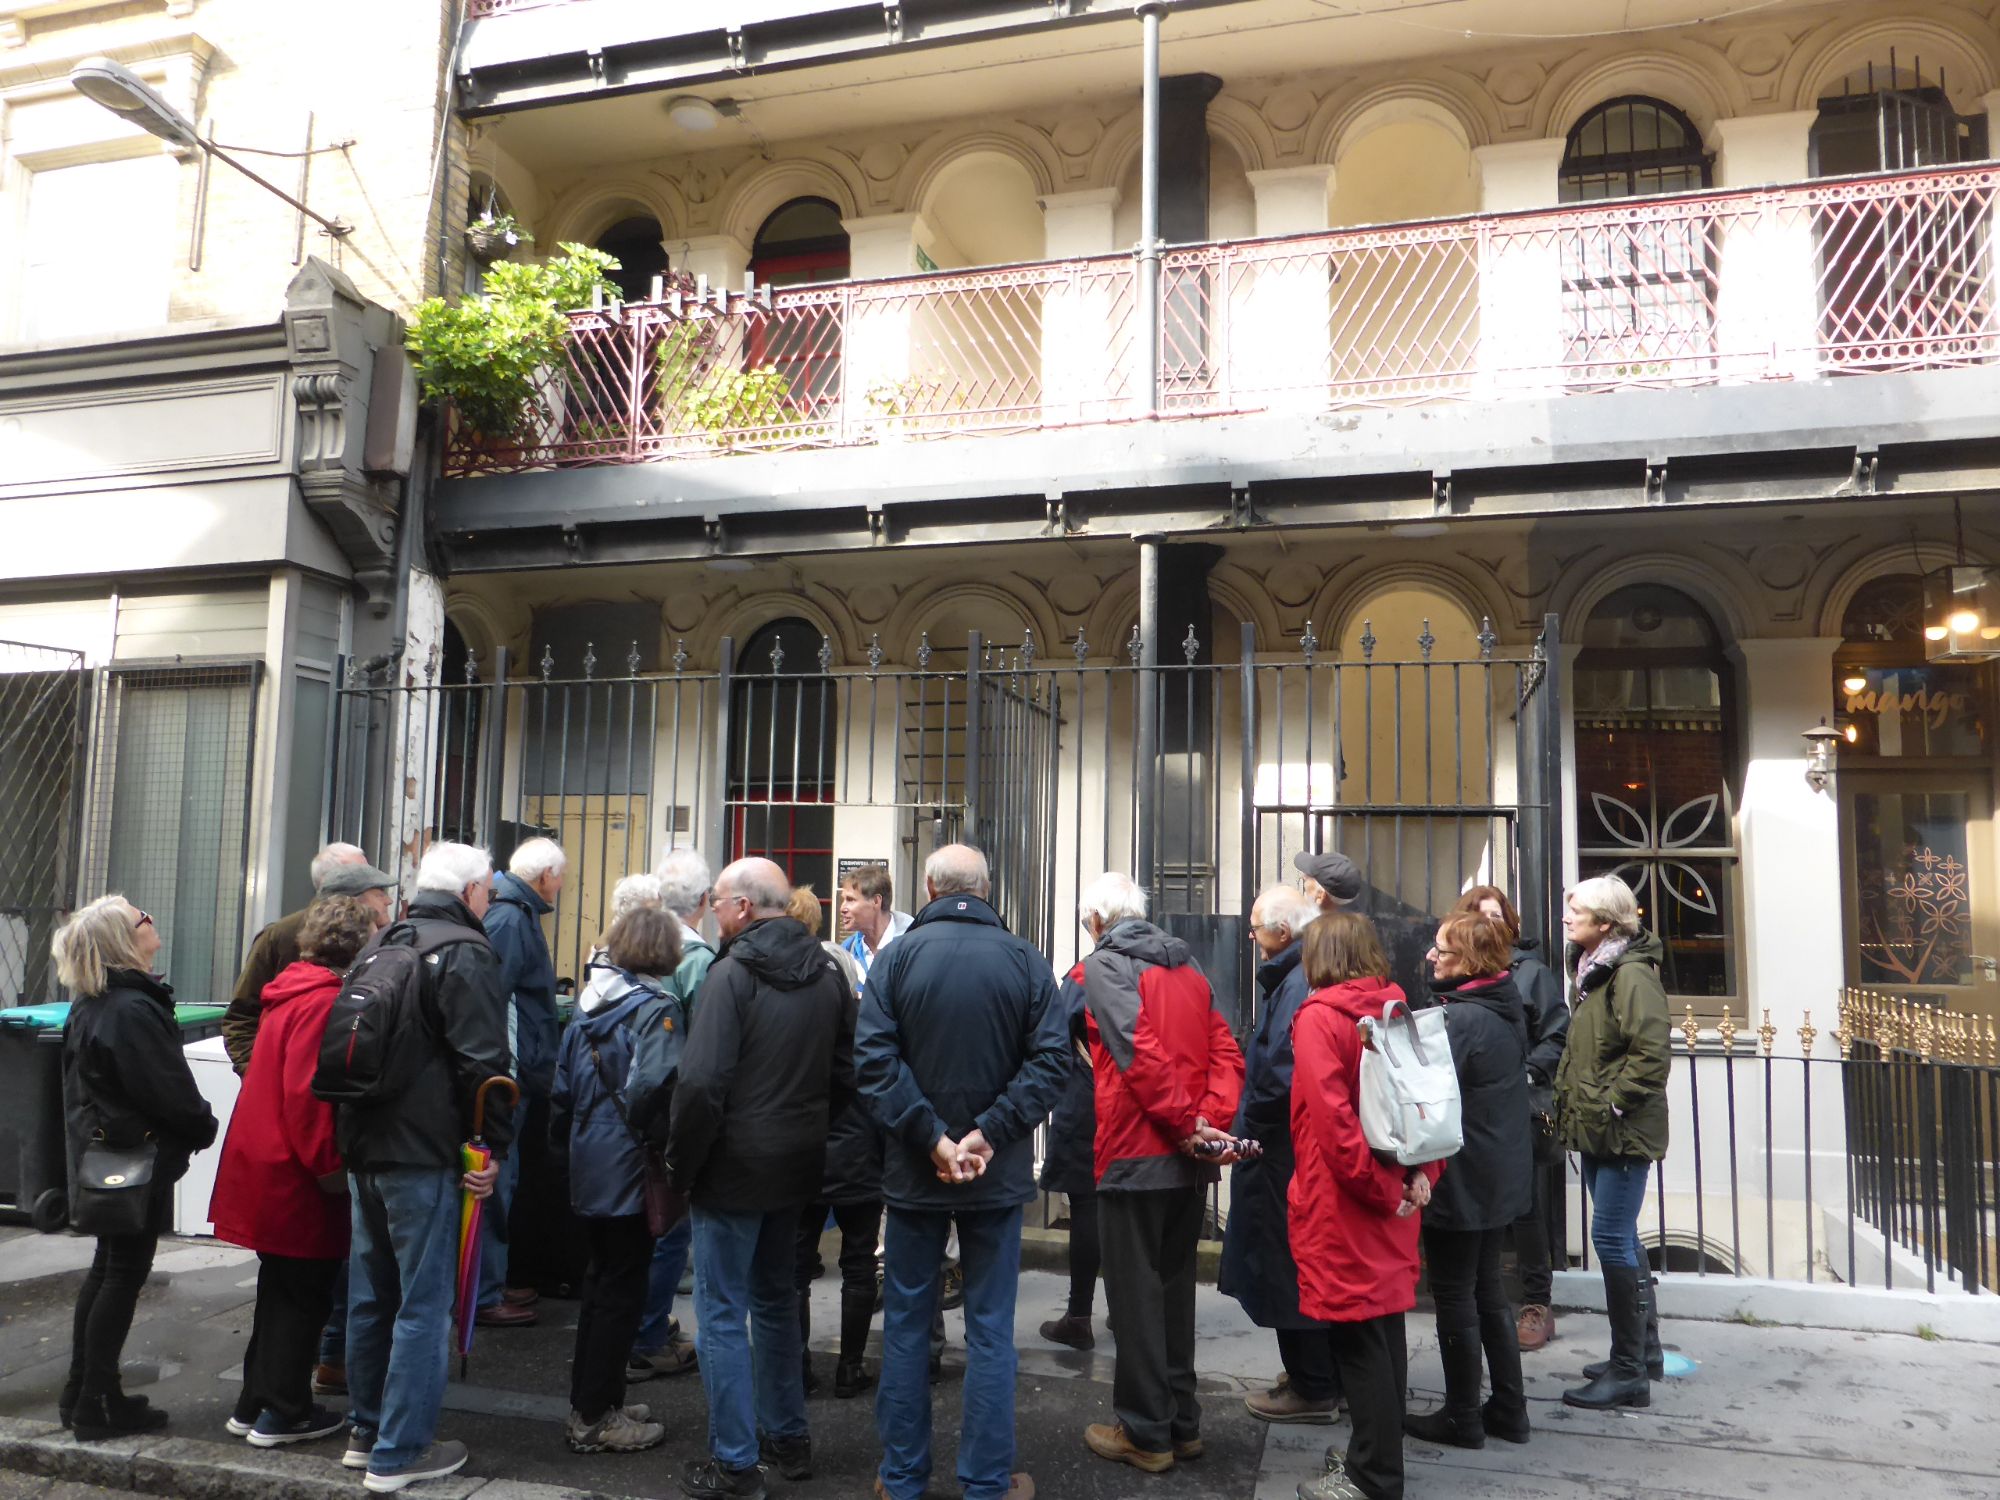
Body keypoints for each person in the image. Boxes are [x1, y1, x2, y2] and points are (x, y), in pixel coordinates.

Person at [855, 843, 1067, 1500]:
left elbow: (872, 1063)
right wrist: (988, 1133)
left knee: (909, 1325)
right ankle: (985, 1482)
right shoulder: (1026, 961)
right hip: (995, 1175)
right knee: (991, 1328)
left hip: (917, 1176)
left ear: (927, 886)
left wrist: (932, 1139)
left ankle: (903, 1478)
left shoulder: (895, 960)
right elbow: (1052, 1065)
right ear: (985, 887)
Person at [666, 857, 854, 1500]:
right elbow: (846, 1072)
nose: (711, 910)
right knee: (776, 1301)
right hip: (798, 1163)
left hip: (734, 1167)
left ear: (744, 907)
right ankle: (787, 1439)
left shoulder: (732, 975)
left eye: (716, 901)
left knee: (721, 1313)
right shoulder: (829, 972)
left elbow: (700, 1083)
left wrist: (680, 1165)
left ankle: (736, 1463)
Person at [337, 841, 512, 1493]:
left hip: (364, 1146)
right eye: (488, 891)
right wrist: (489, 1151)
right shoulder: (464, 952)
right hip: (424, 1152)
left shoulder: (382, 943)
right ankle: (400, 1452)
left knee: (372, 1296)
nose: (489, 902)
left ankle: (366, 1430)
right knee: (421, 1302)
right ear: (470, 891)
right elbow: (485, 1067)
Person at [1078, 872, 1246, 1477]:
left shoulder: (1105, 966)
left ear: (1097, 920)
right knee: (1173, 1291)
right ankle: (1182, 1422)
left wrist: (1183, 1122)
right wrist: (1208, 1123)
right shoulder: (1187, 967)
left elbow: (1135, 1050)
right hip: (1187, 1155)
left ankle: (1146, 1431)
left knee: (1135, 1296)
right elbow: (1226, 1049)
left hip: (1134, 1151)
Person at [210, 896, 378, 1447]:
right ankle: (285, 1412)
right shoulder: (323, 1001)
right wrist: (332, 1172)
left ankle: (256, 1401)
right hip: (298, 1175)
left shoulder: (288, 992)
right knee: (304, 1296)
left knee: (280, 1290)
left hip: (266, 1162)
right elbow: (310, 1100)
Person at [54, 895, 219, 1441]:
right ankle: (97, 1402)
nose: (153, 921)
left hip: (113, 1159)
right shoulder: (129, 1009)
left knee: (108, 1270)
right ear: (126, 940)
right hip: (135, 1161)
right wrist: (203, 1125)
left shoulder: (100, 1003)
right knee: (120, 1274)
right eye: (143, 918)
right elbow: (167, 1089)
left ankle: (85, 1393)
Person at [1289, 912, 1441, 1500]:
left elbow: (1333, 1125)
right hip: (1395, 1191)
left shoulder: (1319, 1020)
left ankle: (1372, 1476)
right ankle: (1371, 1455)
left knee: (1358, 1342)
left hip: (1348, 1200)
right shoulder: (1393, 1007)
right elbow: (1428, 1101)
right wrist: (1417, 1178)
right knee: (1383, 1333)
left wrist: (1383, 1192)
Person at [551, 906, 686, 1456]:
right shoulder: (656, 1010)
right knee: (622, 1289)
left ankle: (596, 1400)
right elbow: (656, 1085)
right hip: (631, 1162)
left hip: (590, 1155)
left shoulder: (587, 1006)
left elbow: (560, 1092)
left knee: (602, 1282)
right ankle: (594, 1418)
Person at [1403, 912, 1533, 1449]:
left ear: (1472, 963)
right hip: (1497, 1170)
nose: (1432, 957)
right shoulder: (1501, 1006)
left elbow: (1424, 1092)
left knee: (1456, 1292)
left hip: (1466, 1173)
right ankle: (1508, 1409)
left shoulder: (1462, 1020)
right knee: (1487, 1291)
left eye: (1444, 952)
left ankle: (1462, 1414)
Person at [1222, 884, 1343, 1423]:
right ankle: (1311, 1375)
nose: (1250, 936)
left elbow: (1280, 1077)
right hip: (1286, 1147)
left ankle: (1312, 1385)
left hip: (1279, 1151)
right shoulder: (1298, 975)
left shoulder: (1295, 982)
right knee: (1289, 1262)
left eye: (1256, 926)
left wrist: (1244, 1128)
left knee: (1285, 1264)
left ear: (1283, 932)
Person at [1554, 874, 1670, 1412]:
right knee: (1622, 1238)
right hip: (1605, 1128)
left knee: (1611, 1239)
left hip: (1621, 1131)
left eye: (1575, 909)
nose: (1566, 916)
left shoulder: (1629, 973)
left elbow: (1650, 1053)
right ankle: (1642, 1354)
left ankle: (1629, 1371)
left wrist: (1611, 1105)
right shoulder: (1597, 968)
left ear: (1605, 922)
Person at [1452, 884, 1568, 1351]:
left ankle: (1537, 1301)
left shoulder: (1530, 973)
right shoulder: (1456, 972)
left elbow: (1558, 1032)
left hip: (1519, 1105)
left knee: (1526, 1207)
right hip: (1469, 1109)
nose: (1490, 923)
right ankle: (1483, 1299)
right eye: (1479, 915)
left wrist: (1525, 1071)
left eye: (1497, 915)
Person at [785, 885, 879, 1399]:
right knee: (859, 1260)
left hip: (803, 1145)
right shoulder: (848, 989)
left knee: (797, 1263)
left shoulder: (786, 1002)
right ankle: (850, 1366)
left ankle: (798, 1366)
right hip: (857, 1143)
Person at [628, 847, 717, 1384]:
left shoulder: (639, 946)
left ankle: (644, 1324)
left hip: (631, 1103)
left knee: (643, 1227)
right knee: (672, 1229)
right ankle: (648, 1334)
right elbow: (706, 1047)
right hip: (671, 1107)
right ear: (705, 902)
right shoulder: (699, 959)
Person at [478, 837, 566, 1327]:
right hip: (511, 1077)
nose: (562, 884)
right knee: (499, 1181)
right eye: (560, 876)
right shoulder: (512, 919)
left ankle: (494, 1282)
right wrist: (508, 1072)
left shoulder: (516, 912)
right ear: (545, 876)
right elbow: (496, 998)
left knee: (506, 1182)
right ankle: (486, 1293)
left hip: (519, 1072)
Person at [221, 844, 387, 1073]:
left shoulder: (383, 937)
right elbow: (242, 1015)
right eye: (359, 874)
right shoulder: (280, 936)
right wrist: (256, 1073)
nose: (386, 899)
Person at [1035, 956, 1098, 1351]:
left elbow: (1055, 1037)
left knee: (1088, 1207)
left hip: (1090, 1097)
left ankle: (1079, 1317)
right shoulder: (1170, 967)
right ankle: (1130, 1317)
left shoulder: (1084, 974)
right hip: (1145, 1102)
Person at [838, 863, 913, 986]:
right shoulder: (846, 950)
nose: (842, 908)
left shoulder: (911, 945)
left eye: (850, 900)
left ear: (876, 901)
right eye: (843, 900)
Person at [1292, 850, 1362, 918]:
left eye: (1307, 877)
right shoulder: (1365, 926)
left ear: (1320, 896)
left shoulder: (1310, 929)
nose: (1303, 877)